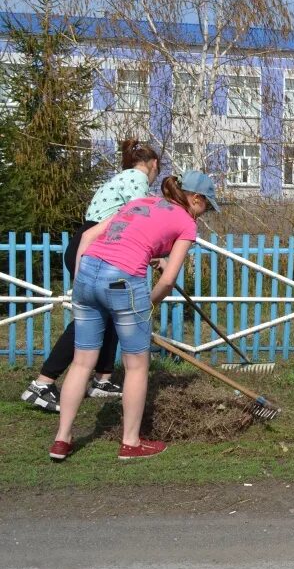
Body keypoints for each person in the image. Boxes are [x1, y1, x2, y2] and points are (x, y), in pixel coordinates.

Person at [48, 170, 219, 461]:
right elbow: (167, 282)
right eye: (206, 206)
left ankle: (61, 440)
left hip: (88, 273)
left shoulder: (140, 203)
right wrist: (146, 305)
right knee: (136, 366)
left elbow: (89, 236)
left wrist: (80, 284)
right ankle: (130, 443)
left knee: (81, 362)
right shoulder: (187, 224)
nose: (204, 213)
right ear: (195, 198)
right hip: (124, 281)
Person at [22, 139, 161, 412]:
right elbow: (138, 218)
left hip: (93, 246)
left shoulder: (122, 177)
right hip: (94, 248)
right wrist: (158, 253)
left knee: (109, 310)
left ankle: (102, 379)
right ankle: (42, 383)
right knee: (90, 316)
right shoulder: (137, 178)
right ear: (153, 164)